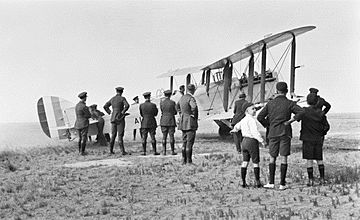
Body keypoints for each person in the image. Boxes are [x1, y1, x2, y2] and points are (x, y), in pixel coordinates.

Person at [257, 82, 304, 190]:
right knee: (284, 157)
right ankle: (282, 184)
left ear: (277, 91)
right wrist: (290, 121)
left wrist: (268, 125)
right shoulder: (289, 103)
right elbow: (301, 112)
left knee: (272, 157)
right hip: (285, 132)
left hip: (273, 132)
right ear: (286, 91)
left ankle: (271, 182)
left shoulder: (270, 104)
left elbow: (260, 117)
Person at [231, 102, 266, 188]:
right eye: (252, 109)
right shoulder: (252, 120)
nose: (254, 110)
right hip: (252, 142)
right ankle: (257, 182)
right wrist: (262, 140)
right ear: (247, 111)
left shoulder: (243, 120)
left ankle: (243, 182)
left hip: (244, 141)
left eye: (255, 109)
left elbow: (237, 126)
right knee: (255, 162)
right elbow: (254, 132)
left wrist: (233, 130)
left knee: (245, 161)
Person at [300, 93, 330, 186]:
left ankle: (310, 180)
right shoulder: (321, 113)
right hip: (318, 139)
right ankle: (322, 179)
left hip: (307, 138)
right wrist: (322, 133)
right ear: (317, 101)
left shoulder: (304, 111)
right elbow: (327, 126)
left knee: (309, 160)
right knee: (319, 159)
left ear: (307, 102)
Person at [104, 87, 130, 155]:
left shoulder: (112, 99)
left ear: (116, 91)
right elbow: (127, 106)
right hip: (120, 118)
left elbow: (105, 106)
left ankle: (111, 151)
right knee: (120, 135)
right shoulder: (122, 98)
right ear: (122, 92)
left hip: (113, 118)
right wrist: (123, 112)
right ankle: (122, 151)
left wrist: (109, 112)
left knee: (113, 135)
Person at [177, 84, 198, 164]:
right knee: (190, 142)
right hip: (189, 121)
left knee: (184, 142)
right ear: (192, 90)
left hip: (183, 122)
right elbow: (194, 107)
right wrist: (193, 114)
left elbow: (177, 106)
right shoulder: (191, 98)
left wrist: (181, 113)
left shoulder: (182, 98)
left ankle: (183, 160)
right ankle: (189, 161)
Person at [160, 89, 178, 155]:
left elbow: (162, 110)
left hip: (164, 120)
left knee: (164, 136)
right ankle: (172, 151)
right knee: (171, 136)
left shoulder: (162, 102)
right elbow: (176, 112)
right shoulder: (173, 102)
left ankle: (164, 151)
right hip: (171, 120)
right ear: (170, 95)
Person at [74, 92, 92, 156]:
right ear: (84, 98)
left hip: (78, 123)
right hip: (84, 123)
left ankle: (79, 151)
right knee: (84, 138)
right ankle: (82, 152)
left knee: (79, 138)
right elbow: (88, 115)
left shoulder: (77, 106)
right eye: (85, 97)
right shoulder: (84, 106)